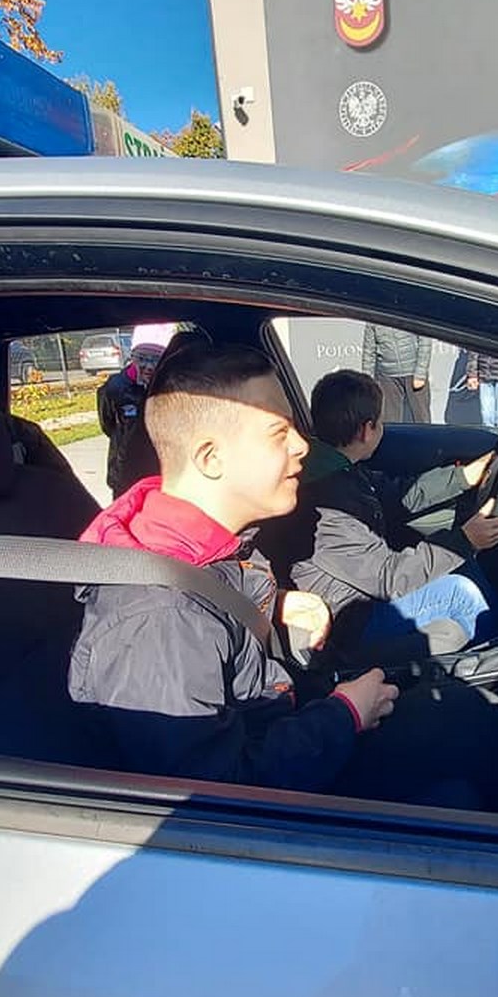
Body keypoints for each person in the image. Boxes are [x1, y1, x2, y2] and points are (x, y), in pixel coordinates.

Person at [68, 344, 398, 792]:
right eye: (278, 432)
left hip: (284, 731)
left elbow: (210, 613)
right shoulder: (157, 622)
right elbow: (213, 795)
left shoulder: (207, 547)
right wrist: (343, 716)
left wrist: (275, 604)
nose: (302, 445)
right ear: (211, 459)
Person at [287, 370, 498, 655]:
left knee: (460, 564)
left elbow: (396, 495)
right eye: (380, 422)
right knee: (461, 593)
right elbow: (388, 578)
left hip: (362, 593)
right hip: (349, 619)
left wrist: (462, 478)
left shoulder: (339, 470)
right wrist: (464, 540)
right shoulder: (327, 502)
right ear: (366, 430)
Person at [96, 325, 170, 498]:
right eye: (142, 358)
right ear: (132, 356)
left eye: (156, 359)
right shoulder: (115, 387)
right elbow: (108, 425)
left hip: (161, 471)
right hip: (125, 472)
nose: (148, 366)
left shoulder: (171, 385)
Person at [361, 323, 433, 423]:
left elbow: (425, 340)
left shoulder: (408, 313)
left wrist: (420, 373)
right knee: (390, 421)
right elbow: (368, 351)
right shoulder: (373, 319)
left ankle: (426, 435)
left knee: (422, 419)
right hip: (387, 376)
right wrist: (367, 383)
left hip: (413, 372)